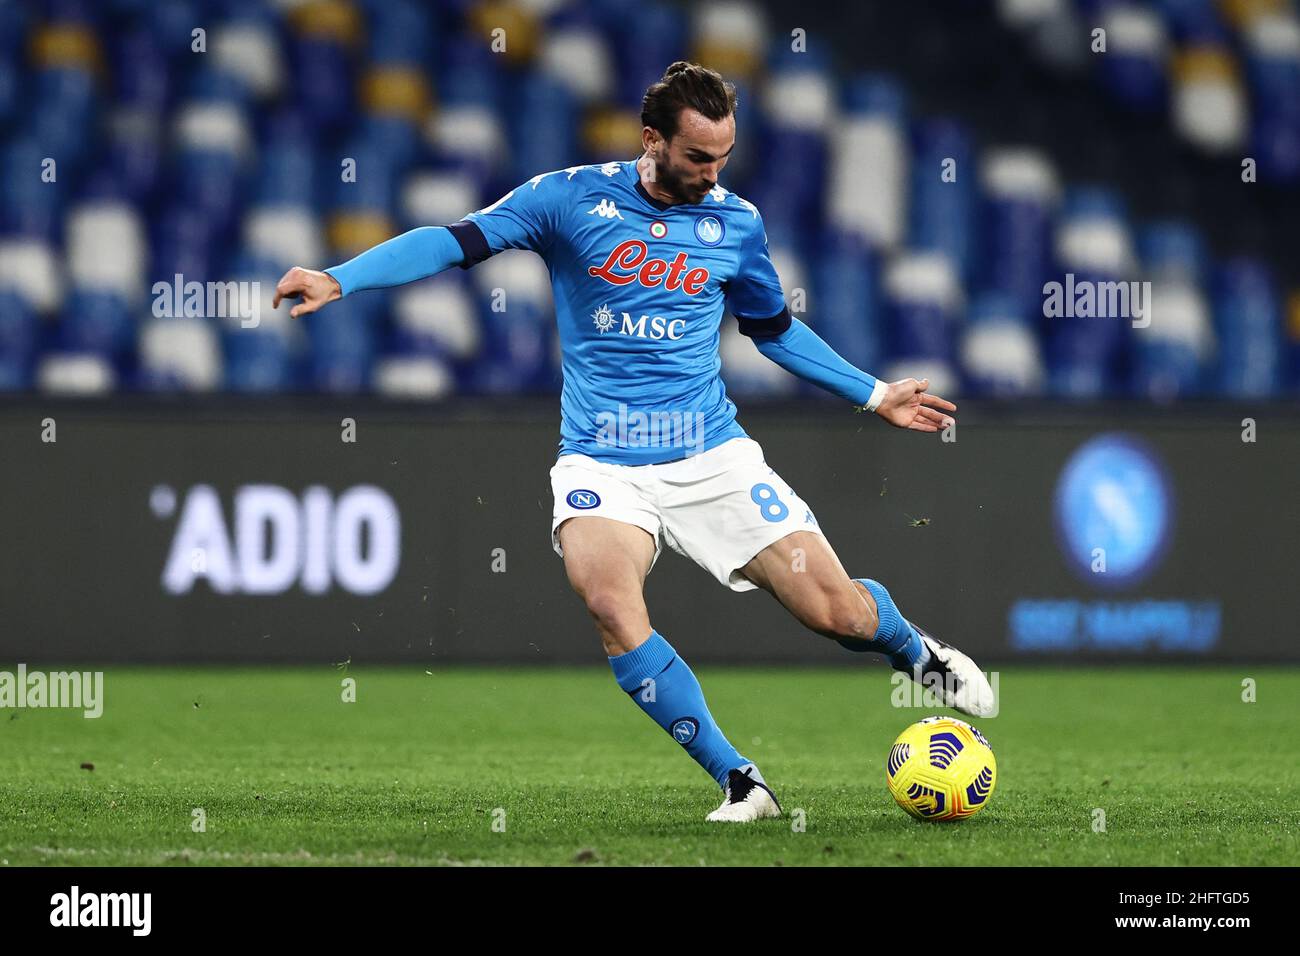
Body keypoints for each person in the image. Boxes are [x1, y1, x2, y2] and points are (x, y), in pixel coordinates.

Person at [274, 61, 995, 823]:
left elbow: (774, 332)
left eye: (724, 157)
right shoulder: (566, 198)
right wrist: (340, 278)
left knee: (840, 616)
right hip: (602, 461)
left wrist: (875, 394)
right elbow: (453, 241)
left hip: (712, 456)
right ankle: (742, 782)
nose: (713, 173)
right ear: (652, 140)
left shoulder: (735, 223)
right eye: (698, 158)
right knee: (612, 605)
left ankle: (916, 654)